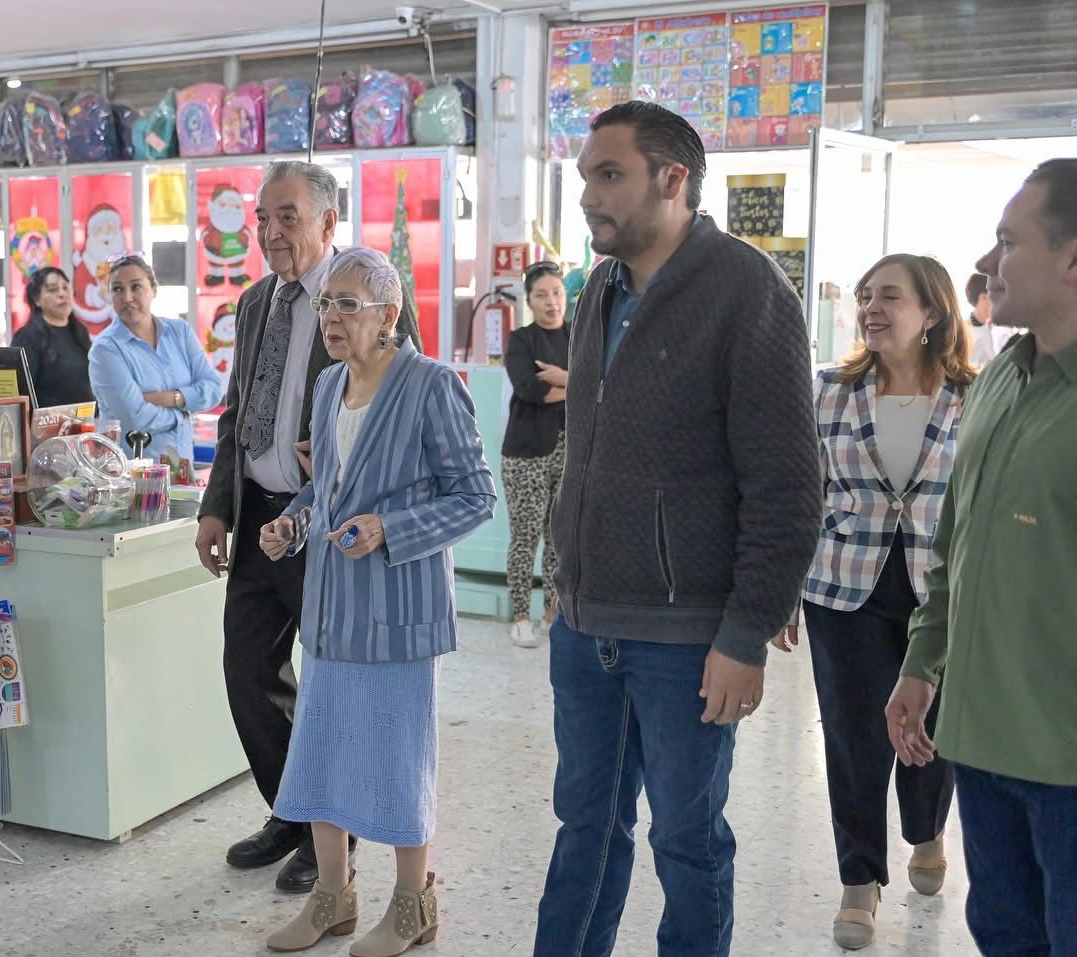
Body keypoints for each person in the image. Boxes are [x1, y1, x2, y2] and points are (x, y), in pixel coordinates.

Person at [534, 100, 821, 956]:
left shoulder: (747, 289)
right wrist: (566, 579)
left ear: (672, 178)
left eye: (609, 175)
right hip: (586, 625)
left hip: (688, 638)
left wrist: (745, 631)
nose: (588, 195)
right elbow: (588, 450)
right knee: (584, 829)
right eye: (585, 175)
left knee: (687, 843)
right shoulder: (600, 290)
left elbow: (786, 485)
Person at [259, 246, 495, 954]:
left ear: (388, 314)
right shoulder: (329, 384)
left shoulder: (432, 385)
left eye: (346, 304)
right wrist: (293, 524)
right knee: (322, 755)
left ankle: (413, 906)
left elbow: (475, 496)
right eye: (325, 303)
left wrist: (390, 528)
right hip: (331, 611)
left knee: (397, 762)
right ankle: (332, 899)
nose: (330, 317)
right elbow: (326, 487)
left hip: (398, 614)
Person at [195, 162, 422, 894]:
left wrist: (347, 453)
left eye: (286, 216)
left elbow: (404, 401)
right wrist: (216, 505)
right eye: (263, 217)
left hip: (330, 524)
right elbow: (237, 410)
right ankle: (293, 813)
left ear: (328, 221)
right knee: (248, 674)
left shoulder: (369, 292)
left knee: (331, 687)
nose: (269, 231)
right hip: (260, 517)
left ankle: (336, 839)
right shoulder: (255, 302)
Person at [887, 159, 1077, 955]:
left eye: (1008, 241)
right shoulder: (1001, 379)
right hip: (982, 741)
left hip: (1064, 757)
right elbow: (953, 543)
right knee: (1003, 932)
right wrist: (923, 661)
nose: (987, 261)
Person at [775, 254, 975, 950]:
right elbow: (802, 493)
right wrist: (782, 592)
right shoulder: (829, 389)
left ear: (931, 313)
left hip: (941, 589)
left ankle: (926, 829)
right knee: (853, 734)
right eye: (865, 296)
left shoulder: (972, 396)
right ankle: (858, 881)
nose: (871, 308)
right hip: (842, 585)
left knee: (935, 727)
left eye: (889, 296)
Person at [87, 254, 222, 461]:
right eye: (117, 289)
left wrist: (172, 398)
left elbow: (214, 388)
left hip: (182, 466)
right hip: (131, 472)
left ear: (154, 290)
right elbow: (135, 417)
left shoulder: (180, 332)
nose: (127, 297)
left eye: (136, 287)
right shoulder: (105, 350)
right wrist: (182, 415)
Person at [501, 260, 569, 649]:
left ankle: (551, 614)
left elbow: (603, 384)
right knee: (525, 537)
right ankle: (521, 617)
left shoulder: (578, 335)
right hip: (526, 452)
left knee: (558, 538)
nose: (551, 302)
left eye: (557, 293)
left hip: (568, 451)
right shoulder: (521, 340)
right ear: (529, 300)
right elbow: (530, 389)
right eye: (541, 295)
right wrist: (577, 384)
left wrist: (563, 380)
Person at [10, 267, 95, 408]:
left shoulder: (80, 331)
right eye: (52, 289)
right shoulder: (27, 337)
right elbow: (21, 394)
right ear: (37, 299)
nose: (62, 294)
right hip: (47, 420)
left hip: (87, 418)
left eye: (65, 288)